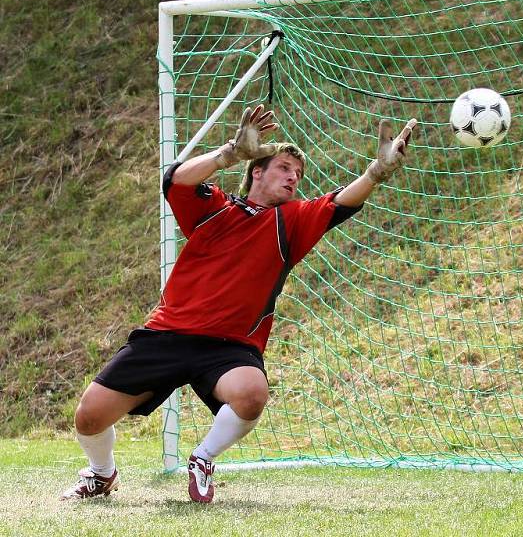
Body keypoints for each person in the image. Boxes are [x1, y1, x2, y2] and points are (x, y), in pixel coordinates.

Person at [60, 105, 417, 503]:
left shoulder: (292, 221)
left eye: (297, 174)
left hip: (229, 348)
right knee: (88, 417)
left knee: (252, 393)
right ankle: (101, 475)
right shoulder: (213, 208)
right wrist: (228, 153)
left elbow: (340, 203)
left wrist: (375, 173)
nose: (293, 178)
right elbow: (175, 181)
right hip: (167, 334)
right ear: (257, 172)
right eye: (284, 167)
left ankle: (203, 458)